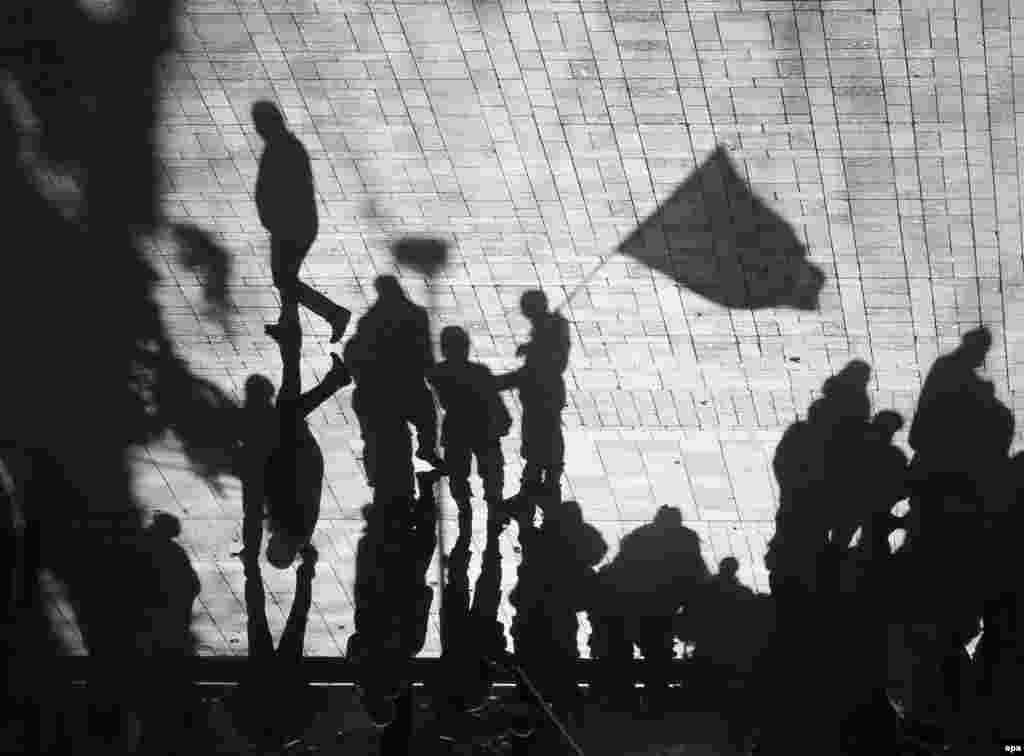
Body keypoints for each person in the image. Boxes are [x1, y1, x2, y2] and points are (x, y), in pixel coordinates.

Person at [245, 321, 350, 568]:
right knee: (287, 407)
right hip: (299, 455)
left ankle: (302, 354)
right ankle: (320, 368)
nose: (269, 541)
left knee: (288, 401)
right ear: (285, 549)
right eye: (273, 546)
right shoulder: (296, 526)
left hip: (294, 455)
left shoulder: (288, 530)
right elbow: (290, 484)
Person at [251, 100, 350, 343]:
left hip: (290, 226)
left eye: (259, 124)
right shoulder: (284, 145)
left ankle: (334, 313)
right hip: (291, 225)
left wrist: (275, 218)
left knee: (283, 279)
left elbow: (287, 190)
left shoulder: (283, 147)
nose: (257, 129)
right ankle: (288, 326)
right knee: (287, 279)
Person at [343, 275, 442, 498]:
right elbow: (425, 352)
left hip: (379, 392)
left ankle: (378, 474)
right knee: (426, 416)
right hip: (409, 386)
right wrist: (434, 379)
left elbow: (357, 354)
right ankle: (426, 449)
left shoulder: (369, 320)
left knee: (375, 437)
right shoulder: (416, 314)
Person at [427, 326, 512, 530]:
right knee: (492, 470)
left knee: (458, 472)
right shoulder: (479, 372)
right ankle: (494, 505)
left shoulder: (438, 373)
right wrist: (503, 421)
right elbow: (494, 399)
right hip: (483, 426)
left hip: (456, 427)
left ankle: (464, 507)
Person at [496, 290, 571, 503]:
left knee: (543, 439)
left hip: (543, 393)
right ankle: (542, 484)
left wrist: (500, 382)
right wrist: (532, 346)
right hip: (540, 394)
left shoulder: (553, 326)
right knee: (539, 438)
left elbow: (552, 363)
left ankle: (541, 487)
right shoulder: (549, 325)